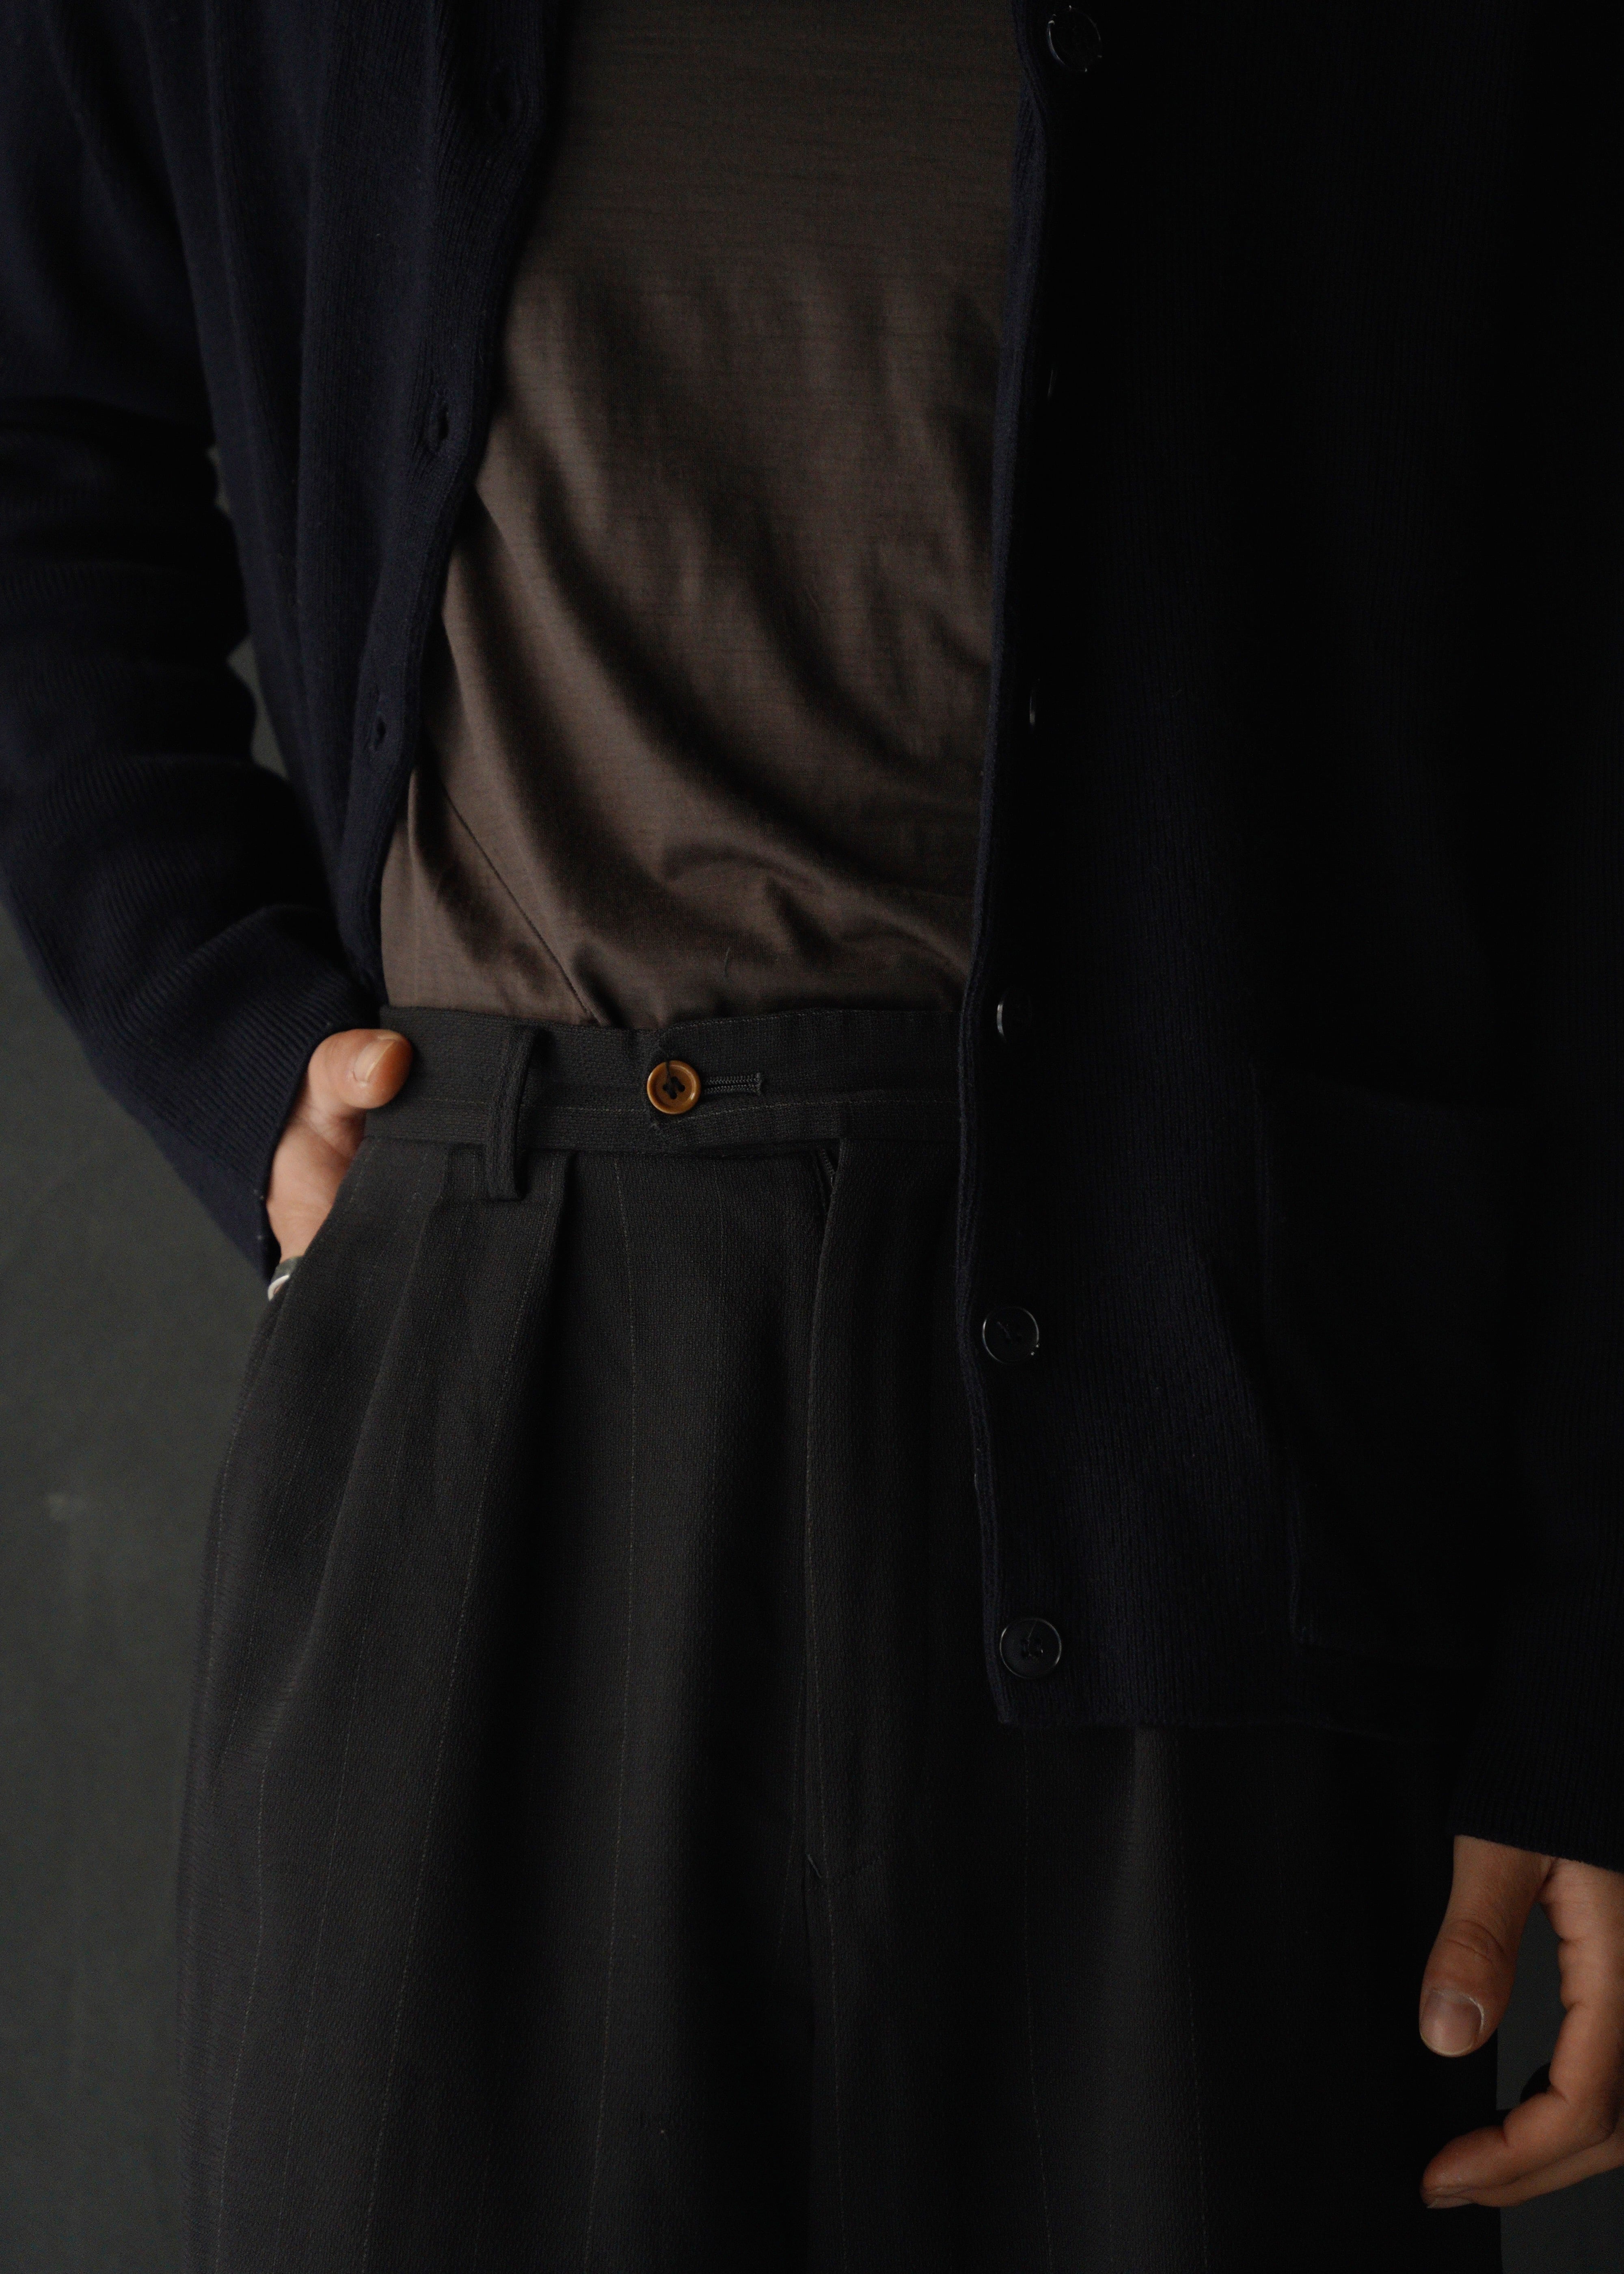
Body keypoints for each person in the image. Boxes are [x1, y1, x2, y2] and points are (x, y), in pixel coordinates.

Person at [2, 0, 1622, 2266]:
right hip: (488, 1357)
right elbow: (40, 428)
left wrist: (1591, 1660)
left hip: (1214, 1424)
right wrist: (216, 1021)